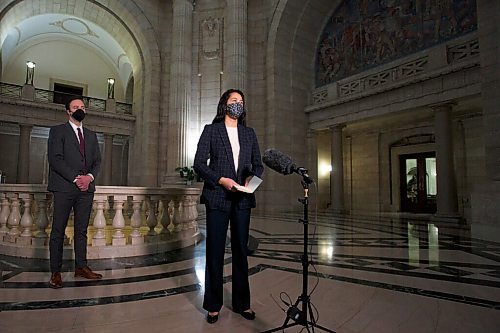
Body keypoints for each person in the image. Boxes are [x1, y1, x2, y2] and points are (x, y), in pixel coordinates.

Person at [194, 89, 263, 324]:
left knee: (240, 252)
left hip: (242, 199)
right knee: (214, 251)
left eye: (241, 102)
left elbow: (258, 165)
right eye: (234, 101)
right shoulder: (211, 131)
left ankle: (243, 303)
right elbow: (199, 164)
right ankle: (213, 305)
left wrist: (249, 181)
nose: (238, 105)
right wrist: (221, 180)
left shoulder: (249, 133)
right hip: (218, 197)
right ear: (225, 104)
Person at [47, 96, 102, 288]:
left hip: (86, 189)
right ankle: (56, 272)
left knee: (81, 230)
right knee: (58, 231)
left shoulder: (92, 135)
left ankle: (81, 267)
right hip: (64, 187)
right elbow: (55, 159)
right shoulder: (57, 131)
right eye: (75, 107)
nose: (80, 109)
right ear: (68, 112)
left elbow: (97, 161)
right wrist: (76, 178)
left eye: (82, 107)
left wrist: (89, 178)